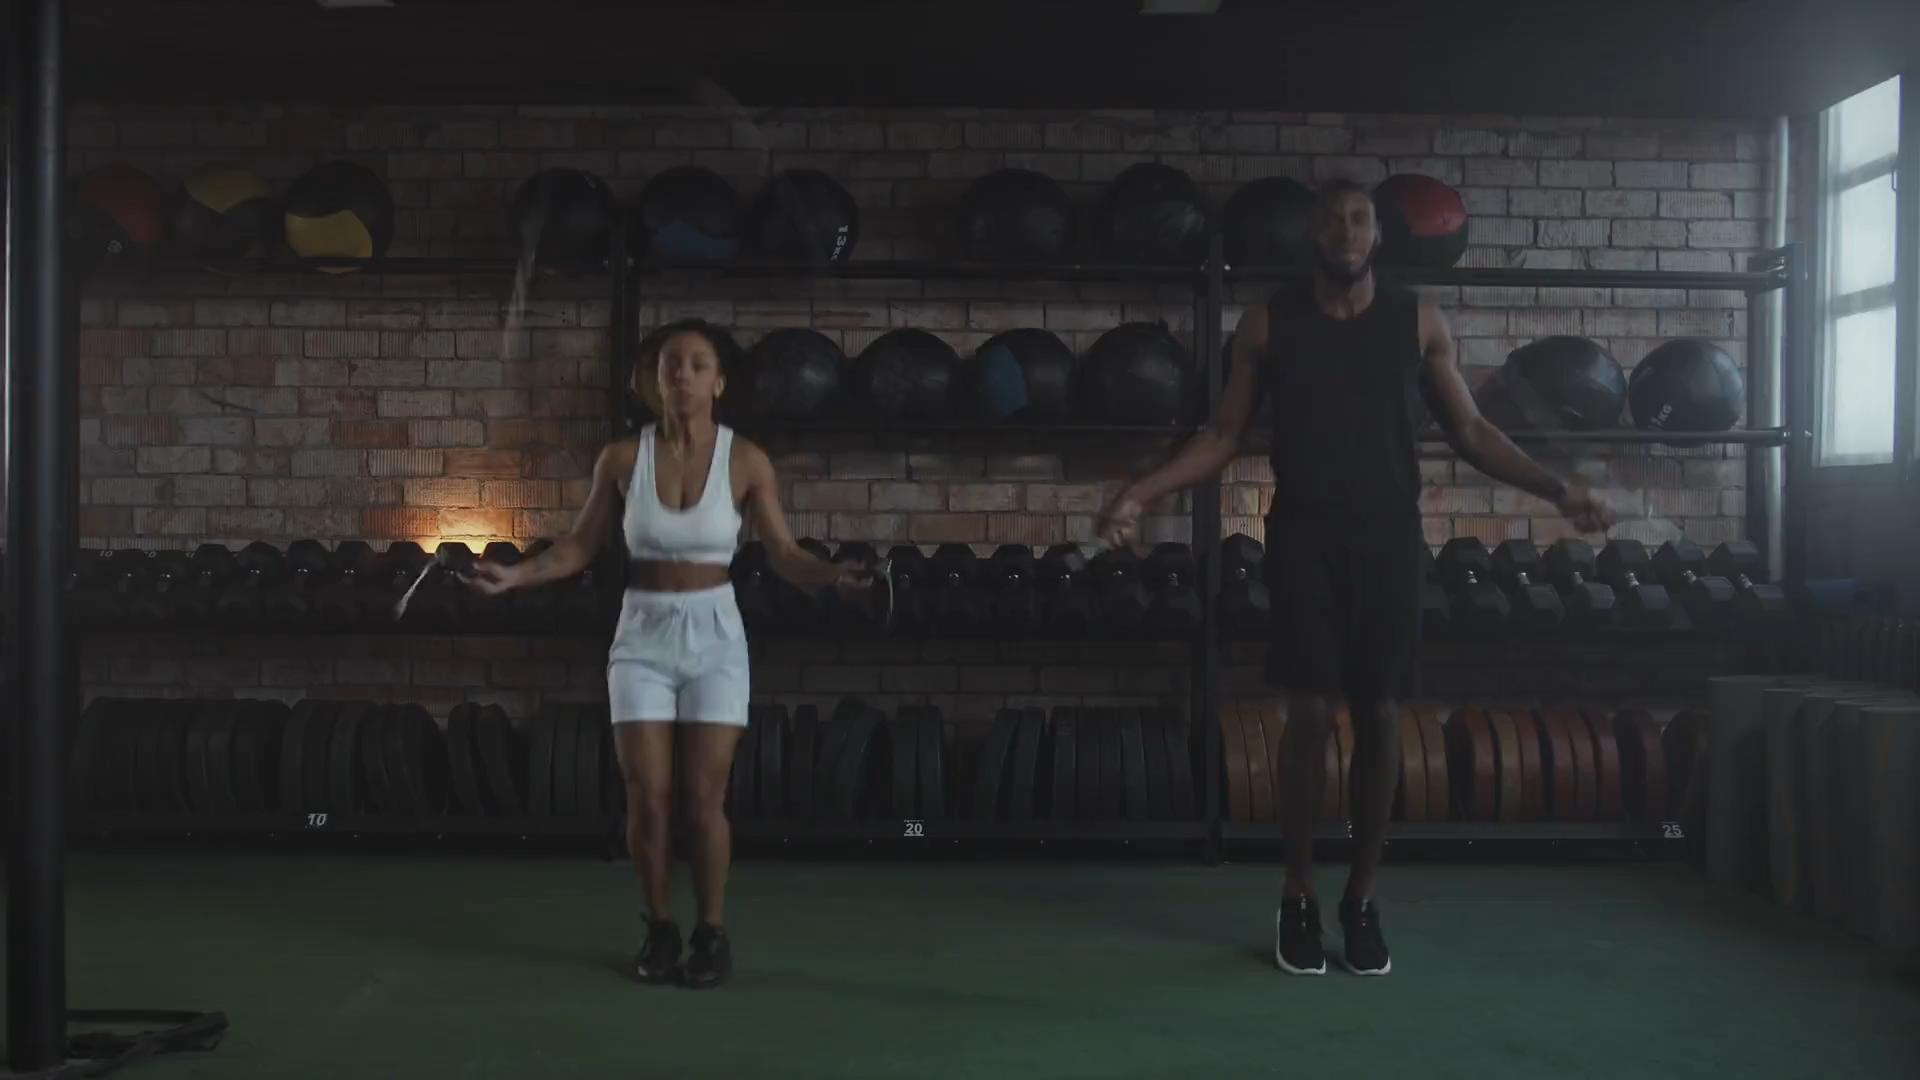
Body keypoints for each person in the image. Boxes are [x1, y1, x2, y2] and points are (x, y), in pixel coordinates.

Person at [1095, 178, 1612, 977]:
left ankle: (1361, 898)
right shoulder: (1269, 324)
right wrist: (1139, 491)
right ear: (1314, 234)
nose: (1346, 231)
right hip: (1303, 538)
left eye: (1360, 218)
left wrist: (1556, 488)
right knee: (1307, 715)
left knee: (1379, 716)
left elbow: (1473, 429)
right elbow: (1222, 434)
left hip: (1388, 542)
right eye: (1333, 219)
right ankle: (1298, 893)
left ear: (1378, 235)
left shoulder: (1418, 321)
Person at [466, 318, 869, 989]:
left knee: (703, 799)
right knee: (647, 798)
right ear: (654, 381)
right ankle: (659, 927)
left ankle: (711, 932)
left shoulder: (746, 461)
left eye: (696, 364)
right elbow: (579, 546)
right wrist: (515, 577)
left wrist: (833, 578)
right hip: (642, 636)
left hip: (715, 636)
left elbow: (785, 554)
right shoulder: (623, 459)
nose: (681, 374)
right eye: (669, 364)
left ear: (719, 382)